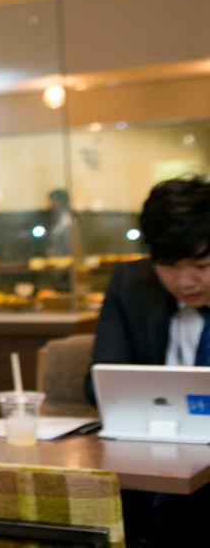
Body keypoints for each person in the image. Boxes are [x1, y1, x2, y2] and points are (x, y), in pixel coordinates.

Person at [86, 175, 210, 547]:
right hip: (146, 467)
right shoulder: (131, 283)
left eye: (201, 266)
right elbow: (99, 380)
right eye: (169, 266)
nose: (185, 281)